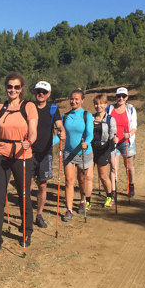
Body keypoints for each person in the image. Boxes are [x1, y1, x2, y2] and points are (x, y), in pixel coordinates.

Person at [0, 72, 38, 253]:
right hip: (2, 155)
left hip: (22, 155)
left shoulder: (29, 107)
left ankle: (27, 232)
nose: (13, 90)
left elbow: (33, 132)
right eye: (10, 86)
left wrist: (30, 142)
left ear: (21, 89)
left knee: (23, 195)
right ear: (6, 88)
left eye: (16, 87)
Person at [30, 81, 64, 228]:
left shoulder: (53, 108)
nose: (41, 94)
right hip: (28, 152)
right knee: (27, 185)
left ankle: (39, 215)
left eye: (44, 92)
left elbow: (58, 123)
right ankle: (26, 215)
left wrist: (61, 130)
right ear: (35, 92)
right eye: (38, 91)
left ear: (48, 94)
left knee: (42, 185)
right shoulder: (29, 107)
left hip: (45, 153)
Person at [62, 88, 94, 222]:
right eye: (72, 98)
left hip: (83, 152)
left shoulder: (87, 115)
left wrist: (86, 142)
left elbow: (89, 134)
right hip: (69, 153)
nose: (73, 101)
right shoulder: (65, 116)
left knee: (82, 179)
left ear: (82, 100)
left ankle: (83, 200)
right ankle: (69, 210)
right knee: (69, 180)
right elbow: (62, 136)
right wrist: (49, 143)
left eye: (76, 99)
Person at [107, 87, 137, 199]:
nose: (121, 98)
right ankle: (113, 191)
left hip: (126, 142)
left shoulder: (131, 109)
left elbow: (134, 126)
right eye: (118, 96)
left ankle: (131, 185)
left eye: (123, 96)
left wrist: (128, 134)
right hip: (113, 143)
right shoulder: (109, 109)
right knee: (114, 168)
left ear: (127, 97)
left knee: (129, 166)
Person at [92, 94, 117, 207]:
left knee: (103, 176)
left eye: (101, 103)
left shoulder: (110, 119)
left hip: (104, 149)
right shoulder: (90, 118)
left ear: (106, 104)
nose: (99, 106)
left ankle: (110, 197)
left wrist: (114, 138)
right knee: (88, 176)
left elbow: (113, 133)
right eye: (96, 103)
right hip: (91, 149)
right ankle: (86, 200)